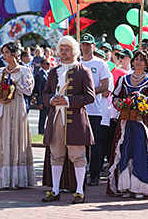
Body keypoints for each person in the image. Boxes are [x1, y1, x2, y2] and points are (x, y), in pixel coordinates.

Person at [109, 48, 148, 198]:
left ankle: (140, 187)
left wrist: (142, 99)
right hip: (126, 121)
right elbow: (115, 97)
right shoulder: (123, 79)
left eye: (141, 60)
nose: (138, 62)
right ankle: (125, 186)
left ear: (146, 64)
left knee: (141, 151)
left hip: (143, 122)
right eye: (136, 59)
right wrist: (122, 104)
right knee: (125, 151)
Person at [42, 35, 95, 202]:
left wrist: (69, 101)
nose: (64, 52)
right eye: (62, 49)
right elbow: (44, 94)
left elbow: (89, 96)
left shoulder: (83, 71)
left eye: (67, 49)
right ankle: (55, 190)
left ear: (74, 51)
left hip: (75, 119)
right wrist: (52, 100)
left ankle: (79, 191)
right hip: (56, 117)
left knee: (78, 155)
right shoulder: (53, 72)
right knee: (55, 154)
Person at [0, 41, 35, 188]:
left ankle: (17, 177)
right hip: (2, 108)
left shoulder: (25, 71)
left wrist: (15, 83)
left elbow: (29, 91)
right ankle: (1, 177)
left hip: (17, 107)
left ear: (15, 54)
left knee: (17, 138)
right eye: (3, 52)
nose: (4, 55)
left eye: (7, 52)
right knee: (1, 138)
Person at [79, 39, 111, 186]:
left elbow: (105, 86)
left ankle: (95, 174)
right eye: (83, 44)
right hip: (78, 108)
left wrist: (88, 94)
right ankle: (80, 173)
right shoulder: (77, 62)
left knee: (95, 143)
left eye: (88, 44)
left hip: (94, 110)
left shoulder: (101, 64)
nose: (85, 47)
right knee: (79, 143)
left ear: (93, 46)